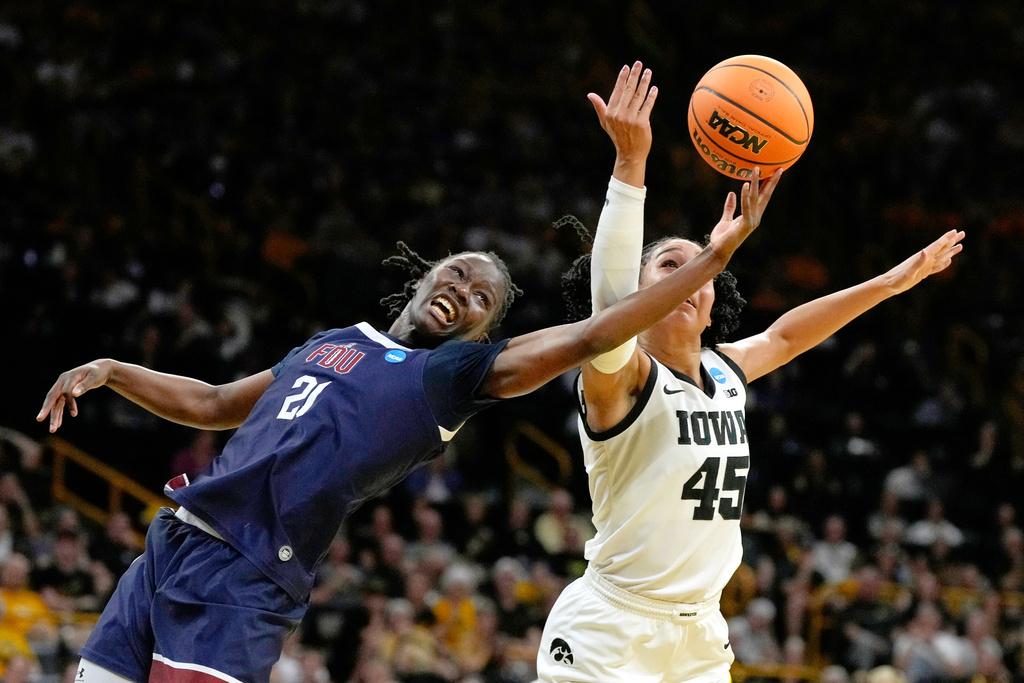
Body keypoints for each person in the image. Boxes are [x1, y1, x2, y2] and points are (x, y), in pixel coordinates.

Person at [34, 62, 775, 683]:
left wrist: (710, 259)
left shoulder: (449, 374)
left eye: (482, 298)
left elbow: (594, 332)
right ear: (420, 281)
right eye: (456, 274)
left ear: (483, 331)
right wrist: (111, 368)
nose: (463, 290)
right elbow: (214, 400)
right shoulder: (329, 341)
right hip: (174, 539)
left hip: (246, 574)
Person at [539, 60, 965, 682]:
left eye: (702, 272)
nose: (691, 278)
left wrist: (892, 283)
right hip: (612, 627)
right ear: (642, 294)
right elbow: (608, 313)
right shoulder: (619, 378)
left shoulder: (729, 371)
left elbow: (789, 334)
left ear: (714, 302)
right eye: (668, 268)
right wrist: (631, 165)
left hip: (700, 632)